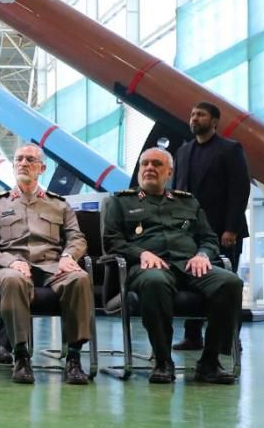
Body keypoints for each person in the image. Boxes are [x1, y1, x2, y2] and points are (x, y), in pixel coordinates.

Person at [103, 147, 242, 384]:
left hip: (189, 265)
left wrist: (203, 254)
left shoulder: (187, 202)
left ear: (169, 172)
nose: (149, 168)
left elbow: (209, 238)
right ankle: (162, 361)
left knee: (230, 282)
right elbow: (112, 241)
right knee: (155, 281)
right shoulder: (120, 201)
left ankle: (209, 362)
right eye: (145, 163)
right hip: (147, 267)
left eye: (157, 164)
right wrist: (141, 253)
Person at [0, 145, 92, 385]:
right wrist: (12, 261)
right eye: (19, 159)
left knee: (80, 278)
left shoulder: (59, 204)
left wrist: (69, 256)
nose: (23, 163)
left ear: (42, 168)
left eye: (30, 159)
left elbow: (77, 238)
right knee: (13, 280)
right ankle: (21, 356)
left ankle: (74, 358)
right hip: (10, 268)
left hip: (52, 266)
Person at [172, 101, 252, 351]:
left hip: (223, 231)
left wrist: (231, 228)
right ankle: (193, 336)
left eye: (201, 115)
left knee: (227, 284)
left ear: (214, 121)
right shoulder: (183, 151)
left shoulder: (230, 149)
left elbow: (240, 190)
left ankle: (230, 338)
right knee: (193, 280)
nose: (195, 118)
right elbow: (176, 191)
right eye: (192, 114)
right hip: (190, 232)